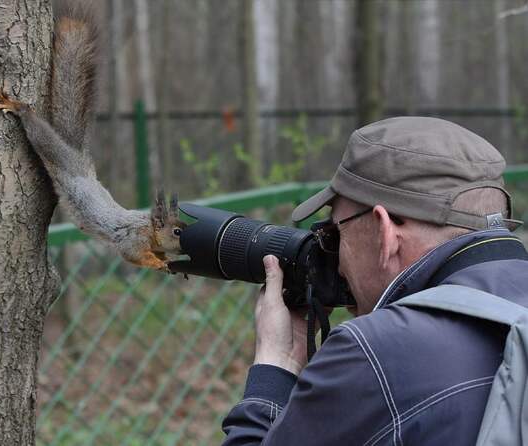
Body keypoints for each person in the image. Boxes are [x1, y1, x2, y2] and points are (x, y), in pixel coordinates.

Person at [221, 116, 528, 445]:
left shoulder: (376, 352)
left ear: (385, 231)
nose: (335, 262)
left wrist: (275, 366)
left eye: (334, 233)